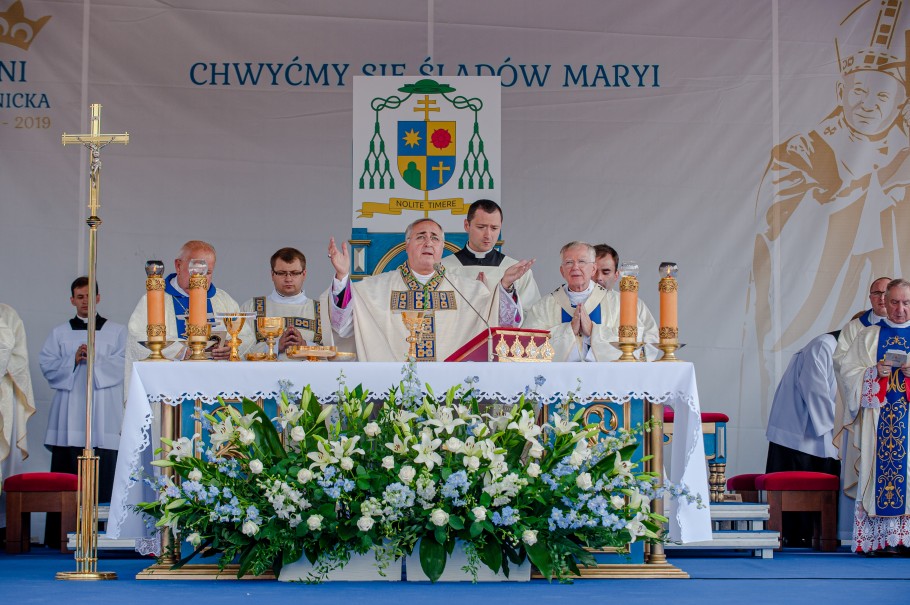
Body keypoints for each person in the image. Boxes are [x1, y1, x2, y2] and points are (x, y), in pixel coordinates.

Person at [750, 2, 910, 405]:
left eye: (884, 94)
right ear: (840, 92)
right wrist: (863, 190)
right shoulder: (802, 149)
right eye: (858, 90)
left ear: (901, 104)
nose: (870, 103)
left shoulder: (904, 157)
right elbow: (774, 223)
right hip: (824, 285)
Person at [327, 218, 532, 361]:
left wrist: (505, 286)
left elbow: (501, 325)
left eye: (435, 238)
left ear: (442, 248)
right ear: (406, 246)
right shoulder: (376, 289)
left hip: (450, 391)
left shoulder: (469, 291)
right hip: (395, 391)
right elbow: (343, 325)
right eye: (420, 237)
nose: (428, 242)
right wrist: (342, 277)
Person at [841, 278, 910, 553]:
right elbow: (848, 374)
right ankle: (881, 540)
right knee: (881, 472)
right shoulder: (868, 336)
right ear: (884, 302)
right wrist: (872, 374)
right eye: (894, 302)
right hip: (877, 421)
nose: (900, 309)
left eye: (906, 302)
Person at [41, 277, 125, 502]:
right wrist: (72, 359)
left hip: (104, 413)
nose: (85, 301)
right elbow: (47, 366)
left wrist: (96, 360)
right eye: (80, 297)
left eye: (89, 296)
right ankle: (61, 535)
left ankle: (103, 534)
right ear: (72, 300)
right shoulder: (59, 333)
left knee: (105, 476)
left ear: (98, 298)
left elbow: (125, 364)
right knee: (67, 478)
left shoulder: (117, 331)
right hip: (69, 413)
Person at [126, 240, 253, 377]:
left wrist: (231, 347)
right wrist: (180, 351)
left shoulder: (222, 300)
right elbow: (137, 335)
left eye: (208, 272)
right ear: (178, 266)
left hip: (215, 379)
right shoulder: (155, 298)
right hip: (170, 380)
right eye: (195, 271)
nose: (201, 278)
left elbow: (247, 336)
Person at [765, 330, 842, 546]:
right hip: (800, 431)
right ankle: (795, 534)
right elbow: (814, 390)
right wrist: (841, 428)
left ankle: (816, 533)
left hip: (824, 429)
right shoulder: (824, 345)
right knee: (799, 482)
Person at [523, 242, 658, 361]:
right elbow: (527, 349)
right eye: (569, 262)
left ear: (592, 269)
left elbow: (639, 351)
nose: (575, 267)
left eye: (582, 262)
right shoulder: (544, 307)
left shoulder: (619, 304)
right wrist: (568, 331)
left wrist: (594, 331)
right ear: (562, 271)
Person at [441, 199, 541, 307]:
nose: (488, 235)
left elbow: (532, 316)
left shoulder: (517, 272)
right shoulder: (443, 268)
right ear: (467, 225)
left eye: (494, 228)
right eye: (481, 227)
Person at [241, 247, 333, 356]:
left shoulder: (322, 310)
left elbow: (332, 352)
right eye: (281, 273)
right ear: (272, 274)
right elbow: (240, 351)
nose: (288, 279)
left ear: (304, 274)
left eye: (294, 273)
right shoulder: (252, 308)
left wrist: (305, 346)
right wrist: (274, 347)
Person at [0, 304, 35, 494]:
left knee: (5, 465)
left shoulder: (7, 314)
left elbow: (19, 359)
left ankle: (5, 520)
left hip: (4, 395)